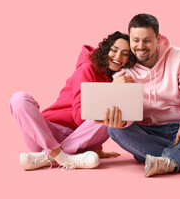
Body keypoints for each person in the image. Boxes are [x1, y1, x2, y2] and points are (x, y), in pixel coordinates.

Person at [99, 14, 180, 177]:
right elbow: (128, 112)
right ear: (129, 38)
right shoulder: (125, 71)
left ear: (157, 38)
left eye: (147, 40)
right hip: (147, 135)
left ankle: (167, 161)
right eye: (135, 40)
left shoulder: (179, 56)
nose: (140, 46)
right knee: (115, 130)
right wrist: (121, 121)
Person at [10, 31, 136, 171]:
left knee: (115, 113)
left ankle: (48, 158)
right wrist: (112, 89)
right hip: (47, 134)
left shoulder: (116, 78)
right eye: (114, 50)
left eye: (125, 54)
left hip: (78, 139)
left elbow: (95, 118)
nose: (118, 56)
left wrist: (97, 149)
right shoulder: (87, 68)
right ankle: (61, 156)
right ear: (106, 50)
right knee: (19, 99)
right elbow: (79, 117)